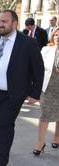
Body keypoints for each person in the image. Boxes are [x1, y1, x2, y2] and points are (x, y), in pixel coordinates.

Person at [0, 10, 44, 166]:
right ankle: (0, 142)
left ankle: (1, 160)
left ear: (14, 23)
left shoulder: (28, 43)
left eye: (4, 22)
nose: (0, 25)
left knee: (6, 124)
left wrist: (35, 93)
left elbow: (38, 70)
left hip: (13, 94)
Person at [33, 28, 59, 156]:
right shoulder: (46, 50)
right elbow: (38, 68)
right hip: (48, 88)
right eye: (56, 35)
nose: (57, 38)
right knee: (44, 115)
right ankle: (40, 142)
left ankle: (56, 138)